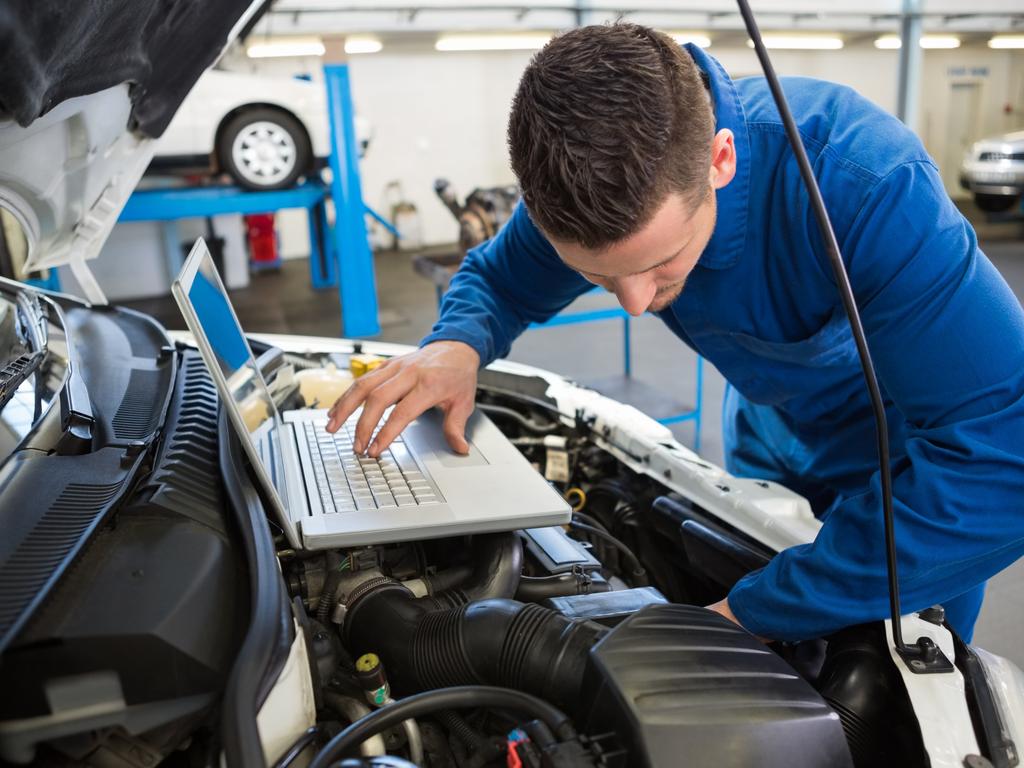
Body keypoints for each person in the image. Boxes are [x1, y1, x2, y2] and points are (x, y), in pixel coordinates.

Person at [327, 23, 1024, 643]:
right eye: (599, 277)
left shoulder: (863, 182)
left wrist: (749, 615)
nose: (635, 304)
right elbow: (500, 281)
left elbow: (1002, 457)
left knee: (894, 677)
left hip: (911, 469)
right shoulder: (582, 190)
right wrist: (458, 344)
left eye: (660, 263)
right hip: (766, 433)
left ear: (721, 161)